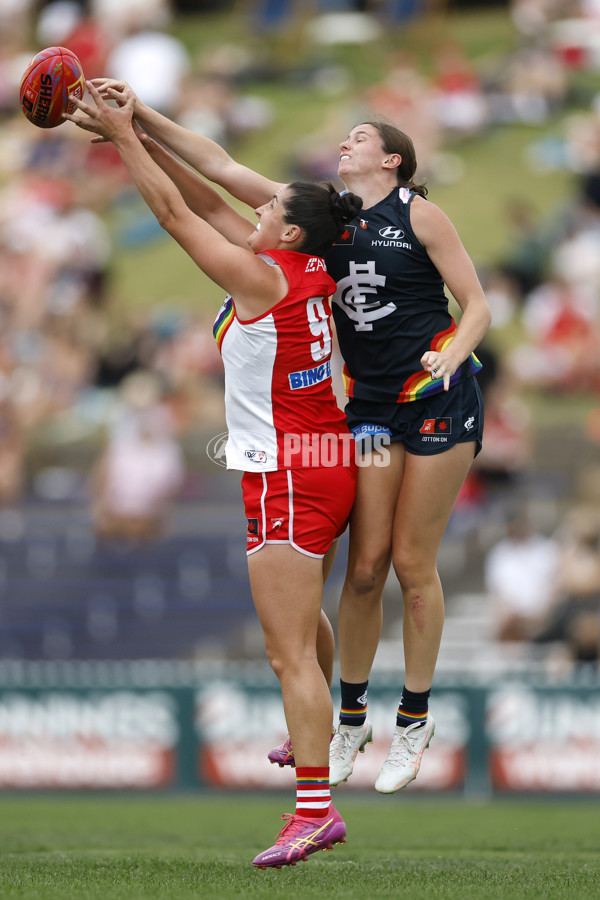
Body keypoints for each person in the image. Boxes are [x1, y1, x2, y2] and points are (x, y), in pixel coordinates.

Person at [89, 79, 491, 794]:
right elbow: (216, 171)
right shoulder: (323, 219)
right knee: (364, 569)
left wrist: (451, 357)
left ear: (393, 160)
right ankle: (352, 718)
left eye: (360, 137)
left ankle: (415, 719)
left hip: (435, 401)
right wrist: (138, 116)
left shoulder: (420, 216)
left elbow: (479, 307)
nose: (345, 142)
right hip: (367, 408)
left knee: (410, 562)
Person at [64, 81, 362, 867]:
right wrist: (138, 132)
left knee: (284, 652)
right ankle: (318, 733)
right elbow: (209, 194)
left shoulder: (263, 279)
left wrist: (129, 141)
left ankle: (314, 808)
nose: (253, 211)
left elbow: (174, 217)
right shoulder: (303, 272)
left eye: (268, 211)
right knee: (308, 631)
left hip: (288, 474)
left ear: (290, 231)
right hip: (324, 463)